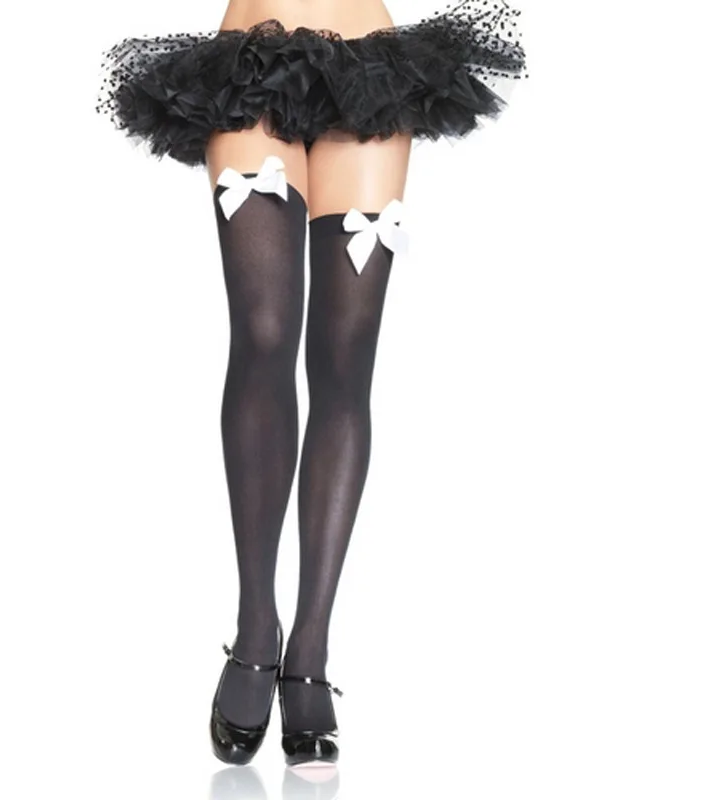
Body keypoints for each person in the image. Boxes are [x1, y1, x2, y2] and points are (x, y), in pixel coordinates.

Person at [95, 0, 527, 768]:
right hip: (250, 61)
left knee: (345, 359)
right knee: (263, 334)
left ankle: (311, 650)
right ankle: (256, 628)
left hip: (371, 66)